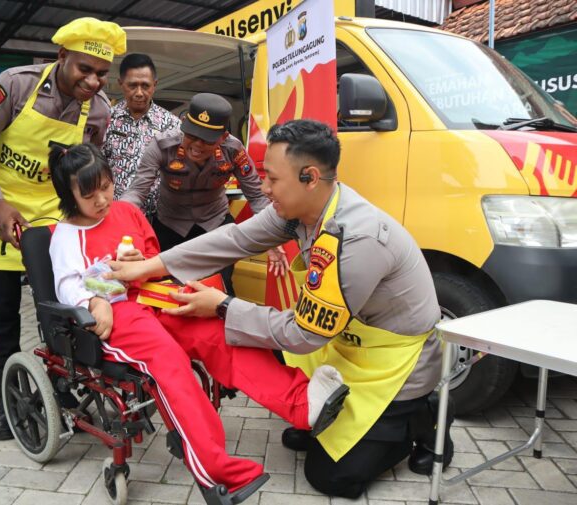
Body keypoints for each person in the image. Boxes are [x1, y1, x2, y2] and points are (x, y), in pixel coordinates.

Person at [108, 119, 451, 498]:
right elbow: (234, 240)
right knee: (264, 359)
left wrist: (222, 306)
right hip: (346, 343)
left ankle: (426, 417)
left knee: (331, 478)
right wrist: (149, 267)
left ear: (310, 177)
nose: (263, 190)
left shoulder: (356, 240)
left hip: (395, 364)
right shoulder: (299, 211)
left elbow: (305, 334)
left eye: (272, 179)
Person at [48, 143, 338, 494]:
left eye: (107, 187)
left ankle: (302, 403)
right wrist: (94, 301)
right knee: (170, 363)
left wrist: (140, 259)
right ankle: (216, 468)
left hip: (152, 293)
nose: (102, 200)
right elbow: (67, 285)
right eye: (89, 194)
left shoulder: (126, 211)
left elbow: (154, 256)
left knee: (218, 333)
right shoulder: (64, 237)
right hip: (117, 313)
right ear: (69, 195)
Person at [0, 17, 125, 441]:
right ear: (62, 56)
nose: (93, 81)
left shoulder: (100, 110)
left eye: (102, 74)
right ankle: (6, 397)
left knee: (58, 306)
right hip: (0, 213)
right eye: (84, 69)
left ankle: (58, 385)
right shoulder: (16, 85)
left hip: (53, 217)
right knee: (2, 315)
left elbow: (84, 172)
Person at [121, 92, 285, 293]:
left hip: (214, 224)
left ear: (223, 137)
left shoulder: (233, 150)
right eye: (192, 135)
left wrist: (270, 236)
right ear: (183, 125)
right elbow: (137, 191)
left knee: (219, 288)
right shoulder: (162, 145)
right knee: (163, 289)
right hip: (170, 225)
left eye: (207, 140)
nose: (197, 145)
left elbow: (257, 196)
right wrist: (118, 220)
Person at [102, 53, 180, 217]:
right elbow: (98, 166)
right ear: (121, 84)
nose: (139, 92)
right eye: (132, 85)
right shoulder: (106, 119)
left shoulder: (171, 124)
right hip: (115, 214)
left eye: (145, 86)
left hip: (159, 218)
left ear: (154, 85)